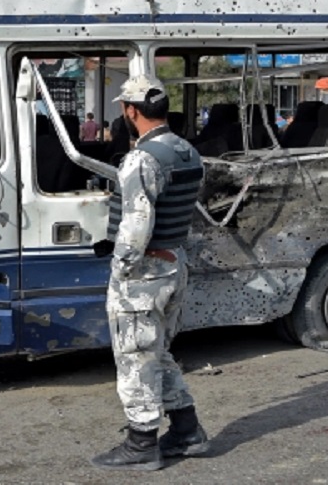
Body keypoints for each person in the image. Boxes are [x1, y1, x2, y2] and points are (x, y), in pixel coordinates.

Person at [91, 75, 207, 471]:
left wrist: (121, 268)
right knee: (157, 353)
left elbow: (137, 223)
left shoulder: (142, 159)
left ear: (130, 111)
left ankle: (141, 443)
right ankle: (187, 431)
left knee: (136, 356)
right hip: (175, 263)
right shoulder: (187, 151)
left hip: (144, 275)